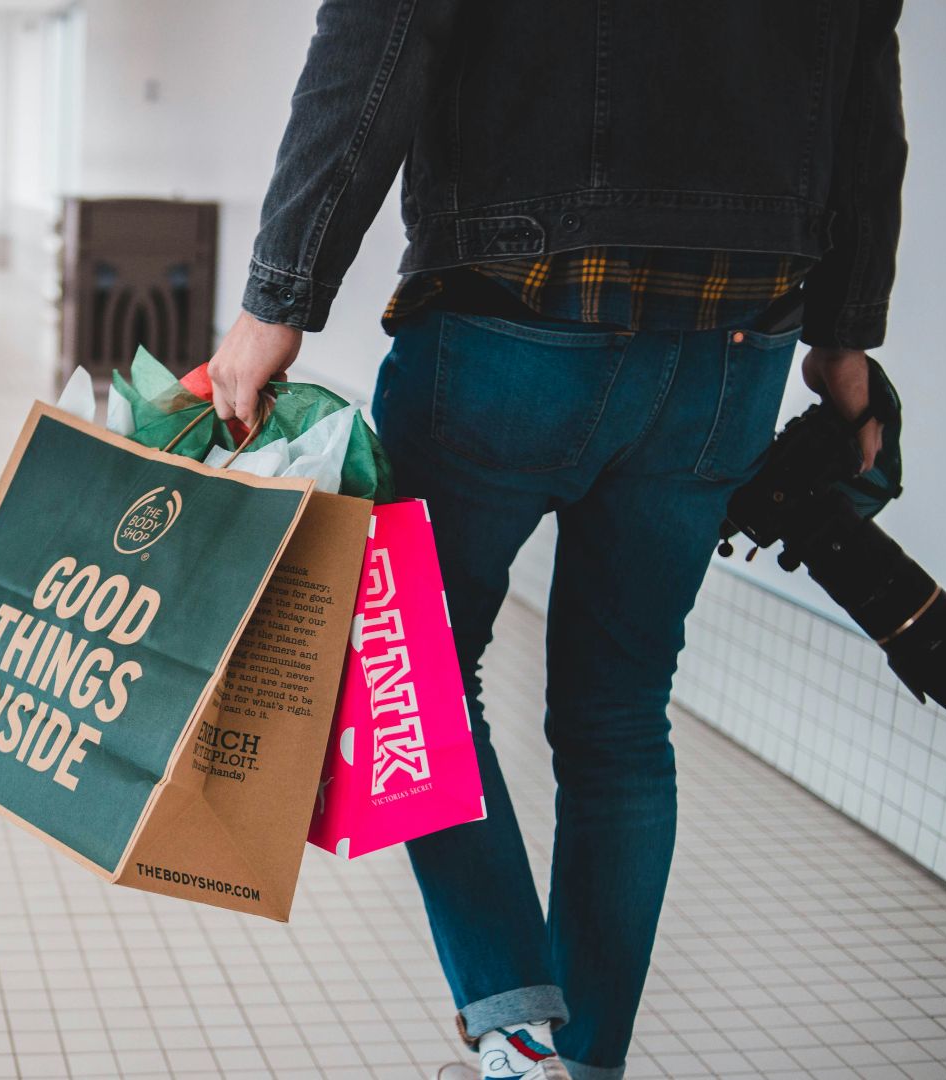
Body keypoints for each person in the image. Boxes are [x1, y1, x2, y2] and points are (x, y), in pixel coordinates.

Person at [206, 3, 906, 1078]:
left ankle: (515, 1029)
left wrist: (279, 298)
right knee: (620, 719)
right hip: (736, 340)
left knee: (419, 673)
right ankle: (586, 1065)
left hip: (509, 314)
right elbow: (865, 82)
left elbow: (381, 33)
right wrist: (846, 332)